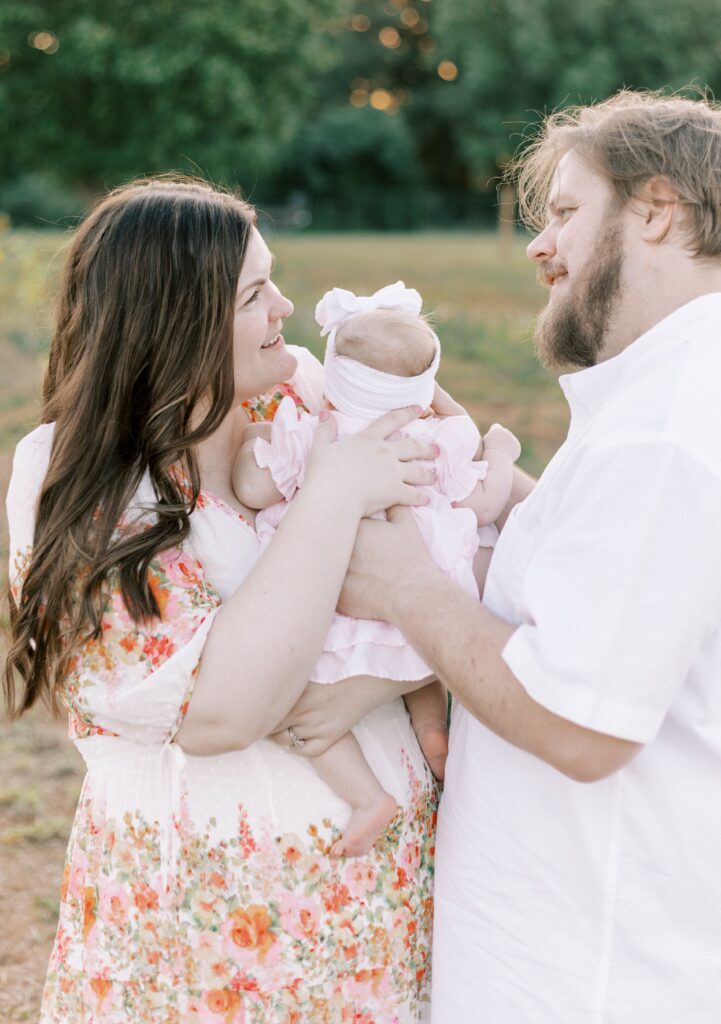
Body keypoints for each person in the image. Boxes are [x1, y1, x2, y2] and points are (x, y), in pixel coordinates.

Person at [279, 90, 721, 1022]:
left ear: (654, 210)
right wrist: (511, 505)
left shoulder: (664, 435)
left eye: (563, 211)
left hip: (589, 976)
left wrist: (406, 584)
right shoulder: (672, 404)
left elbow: (580, 725)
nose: (538, 245)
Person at [3, 176, 443, 1023]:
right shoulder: (80, 480)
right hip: (203, 922)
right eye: (252, 294)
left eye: (272, 277)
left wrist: (375, 682)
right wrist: (330, 494)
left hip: (372, 896)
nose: (285, 305)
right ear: (173, 319)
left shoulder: (303, 397)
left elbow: (448, 541)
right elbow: (215, 713)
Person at [234, 281, 521, 857]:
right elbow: (486, 505)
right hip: (425, 604)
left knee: (309, 717)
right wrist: (502, 455)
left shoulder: (313, 431)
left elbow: (253, 486)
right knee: (419, 655)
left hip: (342, 597)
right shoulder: (435, 437)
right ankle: (432, 732)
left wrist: (254, 443)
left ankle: (367, 796)